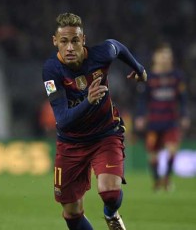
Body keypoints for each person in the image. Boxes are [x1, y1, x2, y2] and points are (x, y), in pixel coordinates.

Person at [42, 13, 147, 230]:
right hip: (71, 143)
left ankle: (111, 214)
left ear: (83, 39)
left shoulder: (101, 54)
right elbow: (62, 120)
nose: (70, 47)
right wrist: (89, 101)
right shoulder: (51, 71)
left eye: (75, 41)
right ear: (55, 42)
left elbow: (117, 46)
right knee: (71, 212)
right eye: (64, 42)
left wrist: (139, 69)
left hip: (105, 134)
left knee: (110, 193)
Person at [135, 43, 190, 192]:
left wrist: (184, 115)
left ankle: (167, 179)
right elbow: (142, 100)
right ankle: (157, 181)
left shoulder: (177, 77)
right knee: (153, 155)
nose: (165, 59)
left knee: (172, 149)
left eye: (168, 56)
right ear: (156, 58)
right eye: (162, 56)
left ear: (171, 59)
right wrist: (140, 116)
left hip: (171, 120)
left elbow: (183, 99)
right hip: (154, 121)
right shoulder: (149, 77)